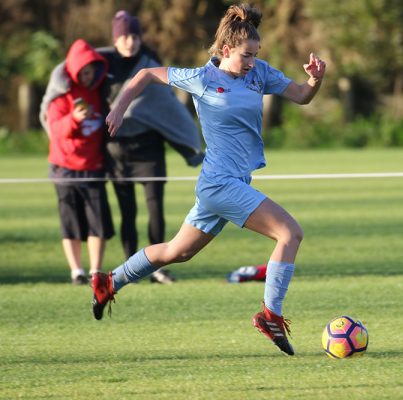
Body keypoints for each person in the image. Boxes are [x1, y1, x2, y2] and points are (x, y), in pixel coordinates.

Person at [91, 3, 326, 356]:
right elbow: (145, 75)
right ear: (226, 50)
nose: (251, 62)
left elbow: (301, 96)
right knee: (289, 233)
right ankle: (270, 315)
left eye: (255, 55)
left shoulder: (259, 73)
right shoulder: (202, 78)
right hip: (220, 184)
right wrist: (120, 106)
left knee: (176, 252)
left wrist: (315, 79)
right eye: (246, 55)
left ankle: (110, 281)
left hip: (227, 184)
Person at [97, 11, 205, 284]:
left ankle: (158, 269)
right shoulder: (103, 64)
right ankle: (129, 269)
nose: (130, 41)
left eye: (134, 36)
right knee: (128, 212)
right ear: (114, 38)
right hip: (117, 149)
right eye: (123, 36)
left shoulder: (150, 62)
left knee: (155, 207)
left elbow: (165, 107)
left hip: (150, 148)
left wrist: (189, 145)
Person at [44, 39, 115, 284]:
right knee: (71, 222)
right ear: (73, 71)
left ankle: (95, 270)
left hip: (93, 167)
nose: (87, 76)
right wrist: (74, 119)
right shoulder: (61, 94)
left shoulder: (99, 91)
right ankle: (77, 271)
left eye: (91, 71)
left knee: (98, 222)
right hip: (64, 169)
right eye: (83, 72)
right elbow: (54, 129)